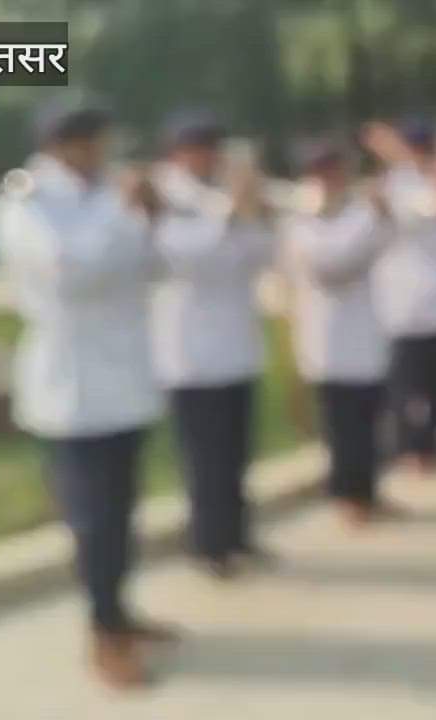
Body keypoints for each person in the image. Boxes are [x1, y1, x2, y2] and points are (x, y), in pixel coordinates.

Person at [0, 97, 176, 690]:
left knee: (122, 513)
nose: (101, 151)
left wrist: (150, 219)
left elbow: (152, 270)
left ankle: (120, 614)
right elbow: (68, 273)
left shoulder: (104, 195)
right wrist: (125, 213)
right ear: (58, 145)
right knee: (93, 522)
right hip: (72, 389)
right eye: (89, 141)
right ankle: (102, 636)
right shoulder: (25, 201)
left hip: (124, 379)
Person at [150, 110, 275, 580]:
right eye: (198, 149)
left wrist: (253, 214)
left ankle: (238, 535)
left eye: (212, 149)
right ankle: (208, 546)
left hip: (236, 342)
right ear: (178, 154)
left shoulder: (222, 196)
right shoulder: (165, 196)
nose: (208, 158)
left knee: (237, 453)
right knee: (204, 459)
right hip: (190, 351)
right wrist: (230, 213)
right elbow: (181, 255)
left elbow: (259, 256)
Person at [282, 139, 398, 527]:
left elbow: (387, 241)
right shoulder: (301, 218)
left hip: (365, 332)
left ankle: (369, 491)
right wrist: (372, 224)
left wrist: (378, 218)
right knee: (342, 426)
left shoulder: (360, 211)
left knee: (370, 421)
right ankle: (346, 496)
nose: (331, 178)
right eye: (322, 171)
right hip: (327, 338)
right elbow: (330, 267)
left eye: (336, 169)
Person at [367, 118, 436, 474]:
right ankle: (407, 448)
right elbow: (432, 207)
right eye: (420, 149)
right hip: (406, 300)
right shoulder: (395, 185)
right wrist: (408, 164)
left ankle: (432, 444)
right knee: (407, 383)